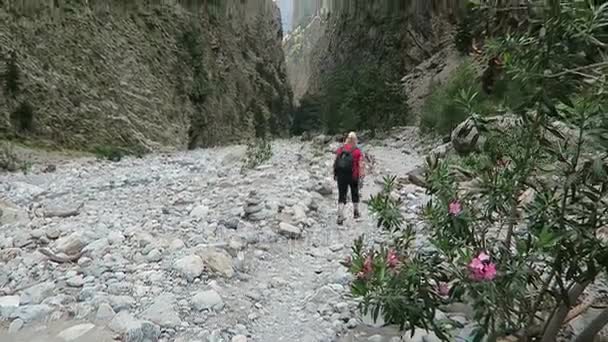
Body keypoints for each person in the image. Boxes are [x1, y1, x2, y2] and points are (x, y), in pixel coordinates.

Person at [333, 131, 365, 225]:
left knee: (342, 195)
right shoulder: (357, 151)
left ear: (347, 139)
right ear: (355, 140)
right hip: (353, 175)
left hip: (341, 175)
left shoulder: (340, 149)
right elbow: (361, 165)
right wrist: (361, 176)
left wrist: (335, 174)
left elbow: (336, 163)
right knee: (354, 193)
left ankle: (340, 215)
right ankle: (356, 212)